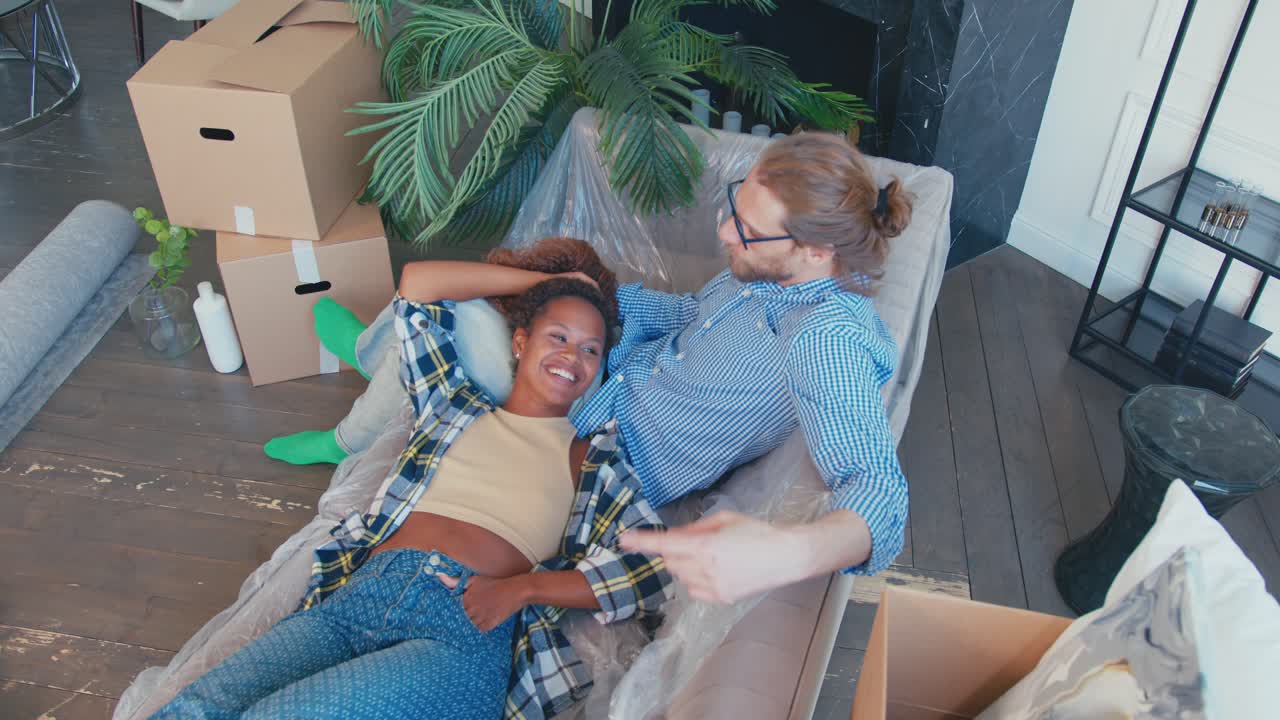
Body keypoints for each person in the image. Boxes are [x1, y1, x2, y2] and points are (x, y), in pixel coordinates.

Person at [268, 131, 912, 606]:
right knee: (467, 303)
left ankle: (348, 431)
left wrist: (783, 552)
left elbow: (878, 493)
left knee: (451, 313)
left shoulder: (826, 340)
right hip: (603, 375)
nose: (723, 233)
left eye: (745, 230)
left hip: (596, 447)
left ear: (818, 250)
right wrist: (596, 301)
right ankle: (377, 355)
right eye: (732, 207)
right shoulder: (768, 272)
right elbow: (693, 312)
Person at [152, 239, 672, 720]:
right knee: (199, 705)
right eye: (558, 336)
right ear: (520, 341)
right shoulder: (452, 404)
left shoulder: (590, 457)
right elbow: (418, 288)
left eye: (590, 349)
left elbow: (651, 568)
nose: (570, 357)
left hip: (458, 630)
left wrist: (521, 590)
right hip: (358, 598)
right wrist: (541, 284)